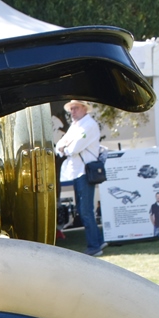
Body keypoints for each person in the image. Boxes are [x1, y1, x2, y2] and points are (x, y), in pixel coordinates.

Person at [54, 99, 106, 256]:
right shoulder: (76, 126)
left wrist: (66, 147)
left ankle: (94, 245)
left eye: (75, 108)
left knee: (85, 210)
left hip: (84, 172)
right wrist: (66, 147)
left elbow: (73, 147)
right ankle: (98, 241)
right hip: (78, 172)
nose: (72, 111)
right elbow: (60, 145)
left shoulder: (88, 125)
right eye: (71, 108)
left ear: (84, 108)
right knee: (84, 209)